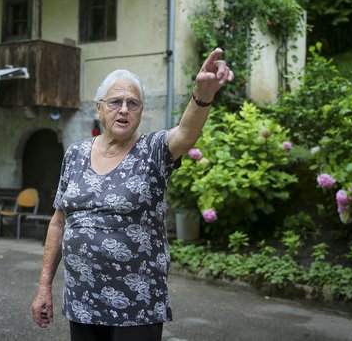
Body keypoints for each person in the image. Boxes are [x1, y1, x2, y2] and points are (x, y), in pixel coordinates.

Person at [31, 48, 233, 341]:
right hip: (82, 301)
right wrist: (44, 287)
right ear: (98, 108)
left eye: (132, 103)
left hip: (136, 305)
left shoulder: (152, 151)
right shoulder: (75, 154)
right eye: (115, 102)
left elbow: (186, 133)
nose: (124, 109)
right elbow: (59, 222)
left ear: (141, 111)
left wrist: (202, 95)